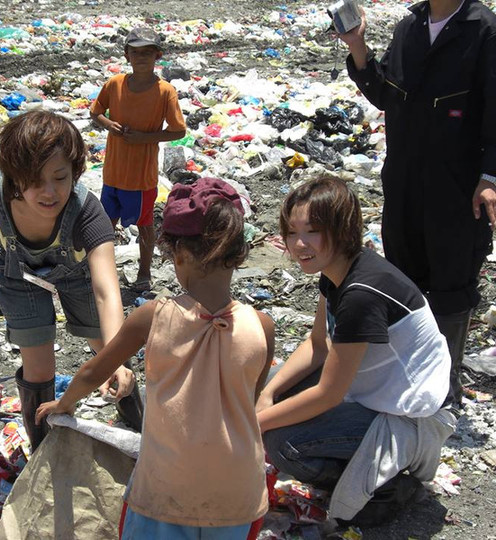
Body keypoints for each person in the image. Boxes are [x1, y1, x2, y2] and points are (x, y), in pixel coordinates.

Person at [37, 177, 274, 539]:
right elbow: (248, 398)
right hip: (238, 489)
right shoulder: (262, 326)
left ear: (178, 254)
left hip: (168, 487)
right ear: (238, 252)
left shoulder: (153, 316)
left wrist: (62, 404)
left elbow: (91, 371)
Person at [257, 177, 456, 525]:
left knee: (283, 443)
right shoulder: (335, 271)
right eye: (291, 232)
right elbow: (318, 346)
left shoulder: (362, 292)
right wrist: (267, 395)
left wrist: (252, 424)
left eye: (312, 231)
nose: (299, 243)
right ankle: (355, 461)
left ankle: (387, 486)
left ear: (342, 229)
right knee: (265, 387)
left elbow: (327, 395)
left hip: (412, 414)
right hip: (374, 390)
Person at [338, 0, 496, 405]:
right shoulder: (410, 26)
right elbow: (385, 94)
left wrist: (490, 177)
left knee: (451, 280)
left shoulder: (483, 29)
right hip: (405, 178)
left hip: (456, 183)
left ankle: (444, 389)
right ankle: (407, 380)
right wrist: (357, 46)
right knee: (404, 277)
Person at [0, 110, 142, 450]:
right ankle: (43, 449)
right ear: (14, 177)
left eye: (60, 177)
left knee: (107, 348)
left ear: (75, 172)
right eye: (35, 180)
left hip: (77, 273)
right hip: (16, 272)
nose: (49, 192)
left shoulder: (87, 213)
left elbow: (106, 291)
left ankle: (137, 417)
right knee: (38, 367)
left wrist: (114, 360)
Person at [90, 27, 186, 291]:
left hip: (141, 177)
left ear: (158, 56)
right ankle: (102, 270)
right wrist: (110, 125)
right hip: (112, 173)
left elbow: (179, 130)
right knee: (105, 223)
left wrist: (144, 138)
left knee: (144, 225)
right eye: (135, 52)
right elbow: (95, 112)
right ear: (126, 55)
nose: (141, 57)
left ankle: (144, 274)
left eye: (148, 52)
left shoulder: (165, 92)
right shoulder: (114, 84)